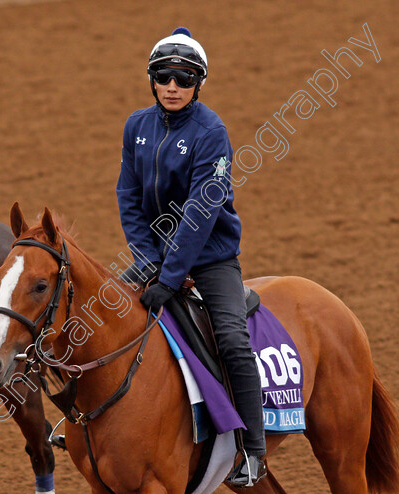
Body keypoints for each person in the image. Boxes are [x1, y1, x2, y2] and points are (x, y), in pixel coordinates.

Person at [115, 27, 267, 486]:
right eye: (164, 77)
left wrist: (172, 274)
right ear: (151, 80)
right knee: (98, 314)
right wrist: (147, 258)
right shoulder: (136, 126)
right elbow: (128, 196)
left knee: (233, 341)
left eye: (184, 79)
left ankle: (253, 450)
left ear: (199, 83)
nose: (173, 87)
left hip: (211, 258)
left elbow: (201, 214)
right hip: (155, 256)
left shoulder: (211, 132)